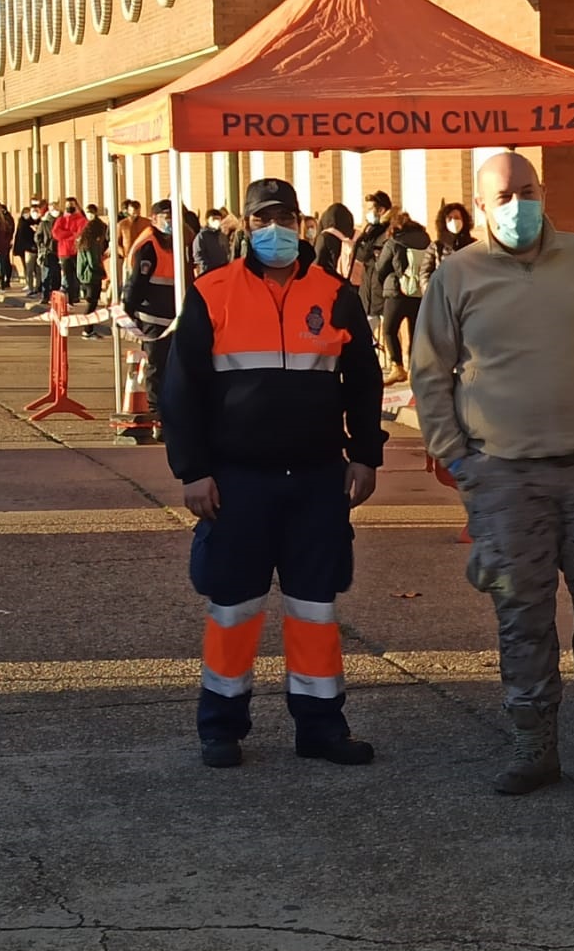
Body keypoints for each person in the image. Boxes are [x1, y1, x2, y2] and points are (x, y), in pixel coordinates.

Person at [410, 150, 574, 795]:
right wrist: (459, 457)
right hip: (505, 476)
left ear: (542, 192)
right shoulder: (457, 277)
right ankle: (533, 739)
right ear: (480, 208)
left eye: (527, 190)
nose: (517, 205)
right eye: (502, 196)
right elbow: (430, 374)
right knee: (522, 612)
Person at [160, 178, 385, 770]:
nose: (274, 229)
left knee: (315, 609)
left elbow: (363, 379)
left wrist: (366, 453)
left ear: (301, 222)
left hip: (317, 481)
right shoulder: (212, 293)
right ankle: (220, 727)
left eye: (284, 217)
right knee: (233, 609)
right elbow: (181, 391)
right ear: (245, 226)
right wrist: (193, 471)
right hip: (237, 482)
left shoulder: (335, 293)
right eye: (262, 220)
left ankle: (320, 727)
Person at [121, 201, 184, 429]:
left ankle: (171, 409)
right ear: (154, 218)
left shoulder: (177, 241)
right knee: (156, 365)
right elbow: (136, 282)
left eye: (173, 216)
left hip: (174, 315)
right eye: (166, 216)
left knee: (174, 365)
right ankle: (156, 412)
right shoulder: (149, 245)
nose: (170, 221)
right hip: (152, 317)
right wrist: (127, 311)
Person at [372, 209, 432, 385]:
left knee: (390, 329)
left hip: (397, 292)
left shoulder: (393, 242)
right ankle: (415, 368)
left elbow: (381, 268)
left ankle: (397, 366)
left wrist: (389, 281)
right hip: (419, 292)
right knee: (416, 330)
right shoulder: (425, 239)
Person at [351, 191, 393, 359]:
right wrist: (362, 232)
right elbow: (359, 254)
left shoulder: (389, 231)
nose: (367, 213)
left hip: (384, 285)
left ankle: (395, 362)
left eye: (370, 209)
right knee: (370, 325)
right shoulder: (370, 231)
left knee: (388, 328)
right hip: (368, 285)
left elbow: (367, 253)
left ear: (381, 210)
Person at [77, 203, 111, 332]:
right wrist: (100, 271)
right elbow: (92, 261)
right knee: (92, 303)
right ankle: (87, 329)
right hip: (91, 275)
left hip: (84, 275)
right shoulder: (92, 244)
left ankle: (88, 328)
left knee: (90, 302)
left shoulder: (83, 241)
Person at [52, 197, 87, 301]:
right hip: (64, 252)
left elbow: (81, 233)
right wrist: (71, 233)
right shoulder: (61, 220)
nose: (69, 207)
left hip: (77, 251)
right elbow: (56, 234)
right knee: (67, 275)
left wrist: (67, 235)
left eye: (72, 205)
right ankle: (71, 297)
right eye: (67, 205)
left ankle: (76, 296)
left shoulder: (81, 219)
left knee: (77, 274)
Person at [114, 200, 148, 290]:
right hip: (128, 256)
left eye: (137, 212)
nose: (135, 215)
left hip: (143, 255)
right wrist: (124, 254)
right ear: (128, 211)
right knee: (128, 278)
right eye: (133, 212)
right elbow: (117, 242)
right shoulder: (122, 224)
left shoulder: (146, 223)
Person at [312, 203, 355, 275]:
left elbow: (316, 265)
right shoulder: (356, 237)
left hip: (329, 281)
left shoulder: (325, 237)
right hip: (351, 283)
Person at [430, 202, 475, 269]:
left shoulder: (474, 245)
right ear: (444, 222)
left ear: (464, 220)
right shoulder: (436, 247)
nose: (453, 221)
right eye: (450, 218)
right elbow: (425, 273)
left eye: (457, 217)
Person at [14, 202, 42, 299]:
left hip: (39, 250)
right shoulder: (26, 223)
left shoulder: (42, 222)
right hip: (29, 250)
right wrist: (29, 246)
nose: (35, 213)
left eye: (37, 211)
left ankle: (38, 288)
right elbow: (23, 237)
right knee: (29, 269)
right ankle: (30, 287)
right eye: (33, 211)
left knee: (38, 270)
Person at [193, 208, 230, 276]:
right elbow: (198, 255)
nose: (216, 221)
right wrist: (206, 268)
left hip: (223, 272)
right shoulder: (201, 236)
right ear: (207, 220)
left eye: (218, 219)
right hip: (208, 273)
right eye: (213, 219)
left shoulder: (222, 235)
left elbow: (227, 252)